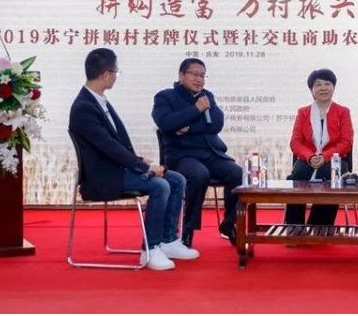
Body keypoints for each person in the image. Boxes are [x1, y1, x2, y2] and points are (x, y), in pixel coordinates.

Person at [69, 48, 198, 271]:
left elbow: (116, 145)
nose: (116, 76)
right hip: (104, 177)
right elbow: (109, 148)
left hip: (117, 168)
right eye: (116, 72)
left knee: (177, 180)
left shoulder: (99, 101)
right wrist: (143, 167)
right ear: (106, 74)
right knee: (160, 185)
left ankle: (168, 240)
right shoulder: (83, 107)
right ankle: (150, 248)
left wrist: (142, 161)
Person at [152, 58, 242, 248]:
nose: (199, 79)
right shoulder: (165, 97)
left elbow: (217, 124)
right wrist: (196, 109)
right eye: (194, 74)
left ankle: (229, 223)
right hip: (182, 155)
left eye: (202, 75)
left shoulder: (206, 96)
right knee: (199, 174)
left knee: (237, 172)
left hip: (211, 153)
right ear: (181, 75)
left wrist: (189, 128)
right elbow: (166, 122)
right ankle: (188, 229)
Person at [285, 68, 354, 226]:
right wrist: (310, 156)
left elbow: (346, 142)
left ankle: (318, 227)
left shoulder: (343, 112)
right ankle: (294, 227)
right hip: (308, 158)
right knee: (298, 174)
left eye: (327, 84)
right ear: (311, 90)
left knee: (330, 175)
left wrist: (325, 156)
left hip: (334, 159)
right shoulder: (303, 113)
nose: (323, 88)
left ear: (333, 87)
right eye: (318, 84)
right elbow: (295, 142)